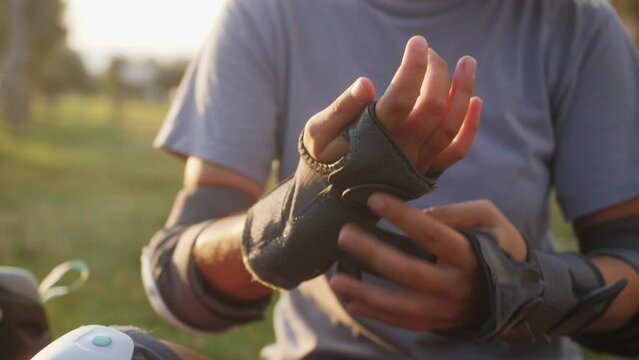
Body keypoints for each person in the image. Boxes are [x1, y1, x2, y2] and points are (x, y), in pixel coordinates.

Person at [142, 0, 639, 359]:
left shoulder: (578, 25)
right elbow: (179, 281)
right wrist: (305, 213)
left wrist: (521, 291)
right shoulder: (268, 14)